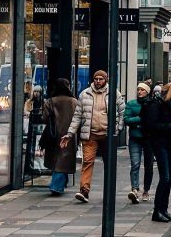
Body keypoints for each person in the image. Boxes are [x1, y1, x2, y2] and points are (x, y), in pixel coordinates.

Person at [65, 70, 125, 204]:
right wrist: (70, 133)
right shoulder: (85, 94)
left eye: (101, 79)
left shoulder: (114, 93)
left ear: (106, 80)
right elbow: (77, 116)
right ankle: (84, 190)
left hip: (107, 134)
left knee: (109, 164)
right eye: (96, 79)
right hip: (90, 134)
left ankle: (109, 191)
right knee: (87, 162)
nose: (98, 81)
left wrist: (118, 128)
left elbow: (122, 111)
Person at [146, 81, 171, 222]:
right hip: (159, 144)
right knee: (165, 177)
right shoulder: (155, 105)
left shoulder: (169, 105)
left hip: (169, 143)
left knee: (169, 179)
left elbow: (169, 126)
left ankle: (164, 209)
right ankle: (157, 210)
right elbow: (153, 126)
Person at [45, 79, 79, 196]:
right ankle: (59, 185)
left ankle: (57, 186)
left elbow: (44, 117)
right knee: (64, 159)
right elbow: (80, 118)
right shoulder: (74, 101)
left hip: (54, 134)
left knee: (57, 160)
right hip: (70, 134)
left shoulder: (50, 101)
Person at [124, 83, 155, 203]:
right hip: (135, 138)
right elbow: (126, 119)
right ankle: (135, 189)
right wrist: (140, 119)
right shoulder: (131, 104)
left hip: (149, 138)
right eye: (138, 89)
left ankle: (146, 190)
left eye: (142, 90)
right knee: (135, 163)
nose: (139, 92)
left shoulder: (152, 104)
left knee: (149, 165)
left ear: (147, 91)